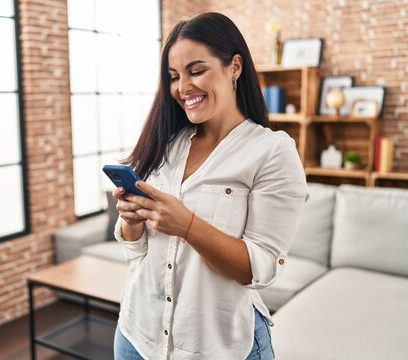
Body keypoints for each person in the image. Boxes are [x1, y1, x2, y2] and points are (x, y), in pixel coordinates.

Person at [112, 12, 308, 360]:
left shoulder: (272, 151)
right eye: (174, 76)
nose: (183, 87)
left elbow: (259, 269)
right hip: (137, 337)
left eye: (196, 70)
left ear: (234, 67)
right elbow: (137, 253)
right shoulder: (165, 144)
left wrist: (186, 225)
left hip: (219, 348)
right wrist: (131, 221)